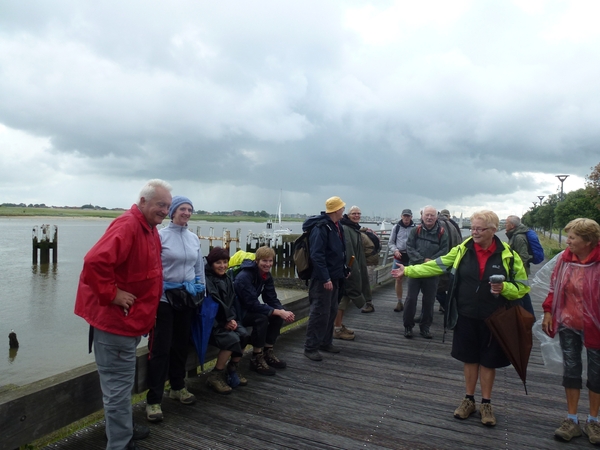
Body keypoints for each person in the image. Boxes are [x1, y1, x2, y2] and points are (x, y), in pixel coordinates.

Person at [392, 210, 529, 427]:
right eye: (472, 228)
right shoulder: (462, 250)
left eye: (479, 229)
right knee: (470, 359)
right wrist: (408, 271)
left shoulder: (508, 255)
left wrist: (505, 288)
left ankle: (486, 403)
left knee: (488, 361)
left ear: (493, 231)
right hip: (465, 314)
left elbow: (522, 287)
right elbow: (437, 264)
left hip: (494, 316)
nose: (473, 232)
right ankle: (468, 400)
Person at [75, 179, 172, 450]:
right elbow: (94, 262)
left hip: (129, 323)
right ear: (143, 202)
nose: (165, 210)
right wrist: (113, 294)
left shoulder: (149, 229)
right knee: (118, 389)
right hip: (114, 325)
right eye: (159, 204)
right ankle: (119, 443)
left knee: (122, 383)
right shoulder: (128, 225)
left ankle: (122, 430)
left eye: (168, 206)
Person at [145, 196, 204, 422]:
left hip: (187, 297)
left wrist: (201, 291)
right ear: (172, 212)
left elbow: (198, 266)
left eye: (190, 209)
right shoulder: (160, 236)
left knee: (181, 345)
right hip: (164, 300)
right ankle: (153, 401)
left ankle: (177, 387)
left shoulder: (193, 238)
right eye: (182, 208)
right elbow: (153, 267)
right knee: (160, 348)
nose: (187, 213)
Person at [541, 218, 600, 444]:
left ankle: (593, 420)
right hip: (569, 323)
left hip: (596, 327)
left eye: (573, 237)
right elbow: (554, 287)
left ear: (588, 241)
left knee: (597, 374)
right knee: (572, 370)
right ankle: (572, 419)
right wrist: (548, 311)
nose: (569, 241)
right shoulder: (565, 260)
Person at [234, 246, 295, 375]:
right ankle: (256, 357)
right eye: (264, 261)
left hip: (249, 308)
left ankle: (268, 352)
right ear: (257, 260)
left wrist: (283, 311)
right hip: (238, 312)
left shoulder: (266, 275)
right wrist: (278, 311)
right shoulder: (244, 277)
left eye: (270, 261)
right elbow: (252, 304)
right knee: (261, 318)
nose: (268, 264)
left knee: (277, 316)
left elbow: (271, 297)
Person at [303, 196, 347, 361]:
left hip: (335, 276)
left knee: (332, 310)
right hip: (322, 279)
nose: (344, 210)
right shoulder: (321, 228)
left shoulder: (337, 226)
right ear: (336, 210)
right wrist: (325, 278)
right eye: (342, 207)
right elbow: (317, 255)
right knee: (319, 312)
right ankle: (310, 347)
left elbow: (338, 252)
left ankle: (325, 342)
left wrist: (343, 270)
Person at [204, 247, 250, 394]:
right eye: (218, 262)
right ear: (211, 263)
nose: (223, 266)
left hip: (227, 320)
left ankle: (232, 369)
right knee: (232, 339)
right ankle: (215, 374)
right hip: (212, 325)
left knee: (244, 335)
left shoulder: (227, 278)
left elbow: (230, 303)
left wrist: (233, 319)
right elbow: (209, 308)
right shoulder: (206, 280)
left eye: (225, 262)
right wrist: (224, 322)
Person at [402, 205, 449, 339]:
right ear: (422, 216)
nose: (429, 217)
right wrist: (422, 260)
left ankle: (425, 327)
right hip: (415, 270)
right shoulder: (415, 230)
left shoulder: (442, 232)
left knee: (429, 301)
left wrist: (431, 261)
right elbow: (409, 247)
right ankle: (408, 326)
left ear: (436, 217)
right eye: (427, 215)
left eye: (432, 215)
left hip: (432, 272)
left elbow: (444, 251)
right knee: (411, 299)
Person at [333, 206, 373, 340]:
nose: (357, 215)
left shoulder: (353, 228)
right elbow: (349, 252)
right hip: (348, 271)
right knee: (344, 298)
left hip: (352, 268)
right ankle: (337, 329)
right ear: (348, 215)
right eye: (354, 213)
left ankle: (338, 324)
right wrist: (351, 270)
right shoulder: (346, 229)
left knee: (346, 297)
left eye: (358, 213)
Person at [505, 215, 535, 318]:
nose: (505, 225)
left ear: (512, 225)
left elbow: (523, 256)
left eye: (507, 223)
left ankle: (527, 318)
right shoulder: (515, 235)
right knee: (523, 295)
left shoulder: (518, 237)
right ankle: (528, 317)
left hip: (520, 272)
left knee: (522, 294)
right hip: (519, 271)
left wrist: (517, 271)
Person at [436, 209, 463, 313]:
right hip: (454, 259)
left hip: (442, 260)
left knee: (437, 288)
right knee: (449, 285)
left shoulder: (439, 225)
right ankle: (447, 306)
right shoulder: (454, 226)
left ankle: (449, 308)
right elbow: (460, 241)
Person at [388, 209, 415, 312]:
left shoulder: (415, 228)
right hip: (399, 256)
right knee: (398, 279)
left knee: (412, 280)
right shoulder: (396, 227)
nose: (406, 218)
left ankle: (410, 301)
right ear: (401, 216)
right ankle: (399, 301)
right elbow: (391, 242)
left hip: (411, 257)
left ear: (411, 217)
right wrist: (395, 250)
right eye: (405, 216)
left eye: (408, 216)